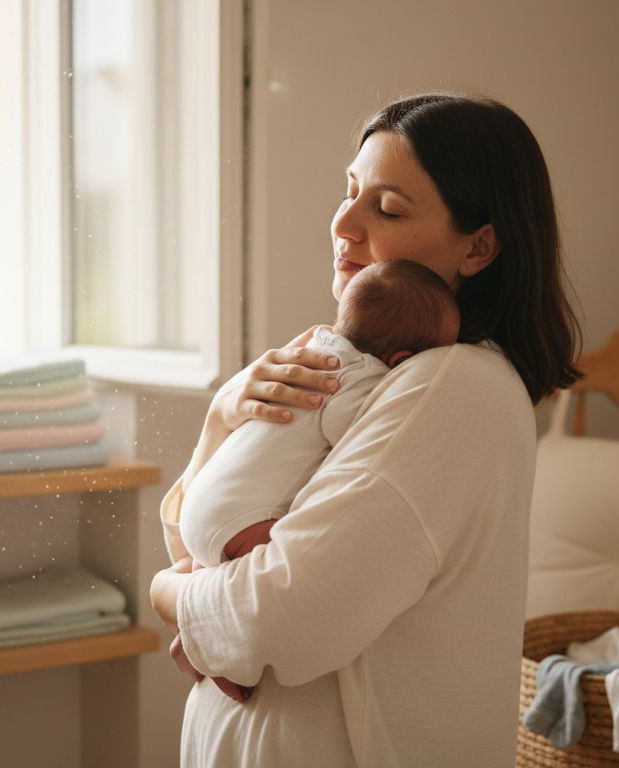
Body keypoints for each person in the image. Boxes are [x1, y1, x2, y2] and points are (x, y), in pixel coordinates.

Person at [150, 92, 582, 767]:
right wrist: (221, 419)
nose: (344, 224)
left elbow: (281, 619)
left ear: (480, 246)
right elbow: (202, 540)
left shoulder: (452, 385)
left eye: (387, 208)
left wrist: (166, 594)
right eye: (349, 191)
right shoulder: (372, 370)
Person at [169, 258, 461, 703]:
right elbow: (348, 428)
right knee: (254, 573)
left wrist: (166, 591)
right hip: (239, 521)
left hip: (201, 508)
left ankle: (191, 640)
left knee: (209, 575)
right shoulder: (365, 377)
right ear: (402, 360)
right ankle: (219, 657)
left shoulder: (312, 347)